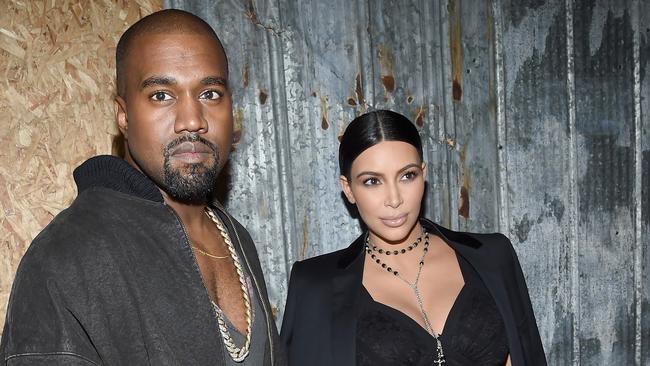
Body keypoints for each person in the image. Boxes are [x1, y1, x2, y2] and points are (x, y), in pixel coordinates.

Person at [0, 9, 285, 366]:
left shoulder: (236, 236)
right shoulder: (66, 257)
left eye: (210, 93)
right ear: (123, 115)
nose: (193, 120)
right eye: (162, 96)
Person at [281, 109, 546, 366]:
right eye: (373, 181)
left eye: (407, 176)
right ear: (348, 189)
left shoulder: (492, 255)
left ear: (423, 174)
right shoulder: (315, 286)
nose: (394, 199)